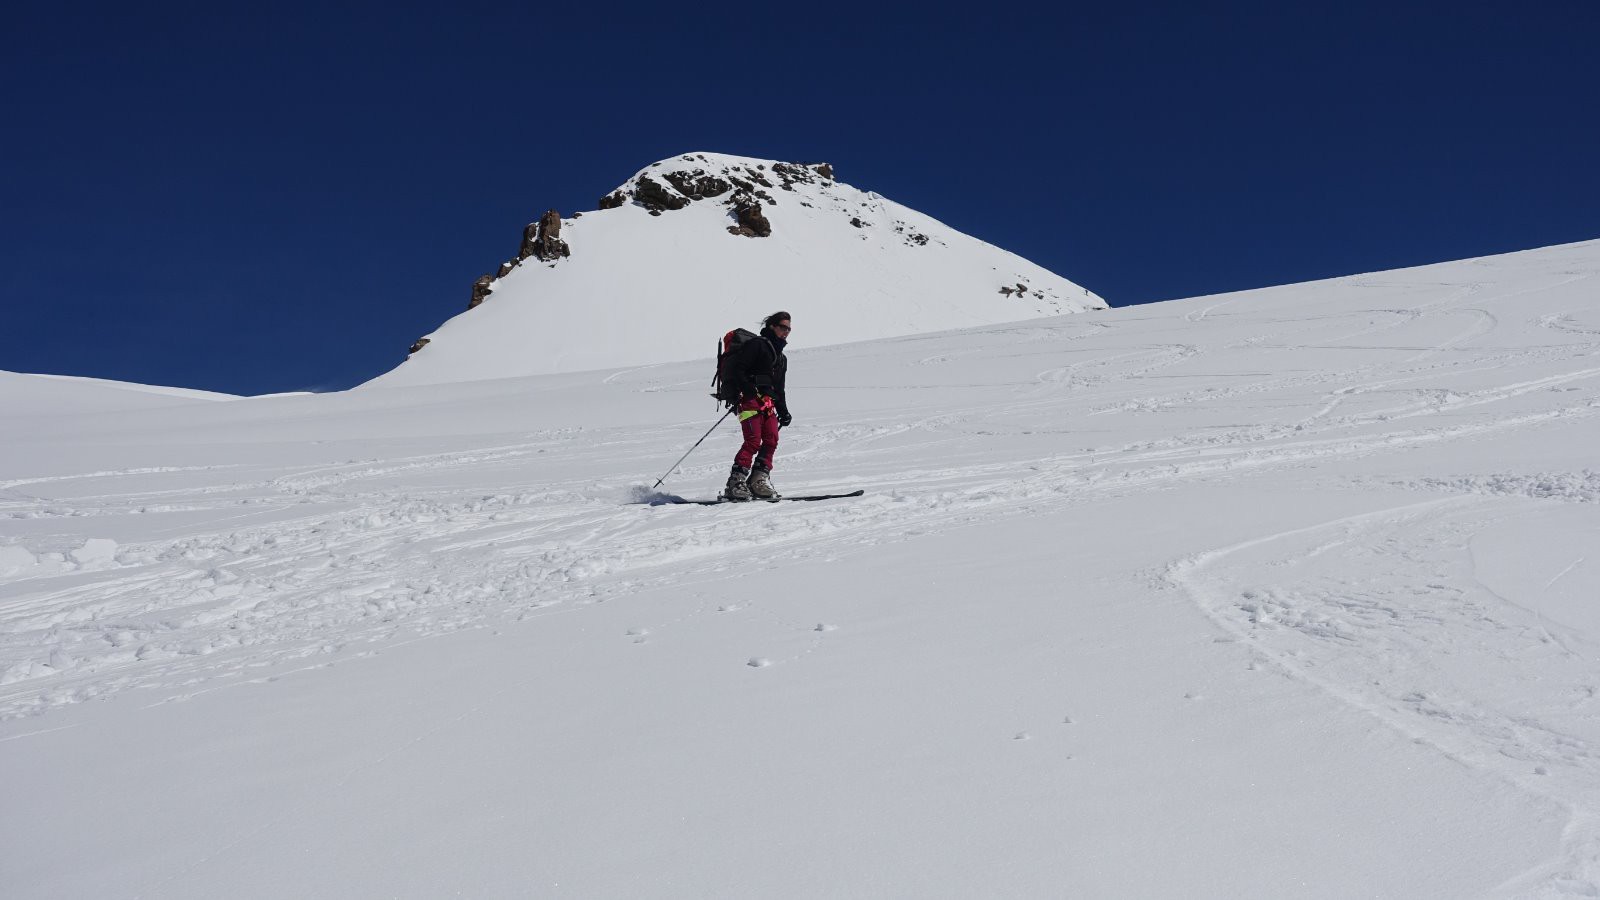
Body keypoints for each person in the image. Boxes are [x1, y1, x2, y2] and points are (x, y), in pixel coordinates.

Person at [723, 311, 793, 501]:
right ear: (772, 326)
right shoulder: (757, 345)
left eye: (789, 329)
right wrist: (748, 389)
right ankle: (735, 483)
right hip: (749, 400)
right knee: (753, 441)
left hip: (768, 403)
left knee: (771, 440)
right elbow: (739, 369)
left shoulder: (781, 358)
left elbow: (779, 388)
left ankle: (758, 481)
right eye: (783, 327)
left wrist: (784, 411)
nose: (786, 332)